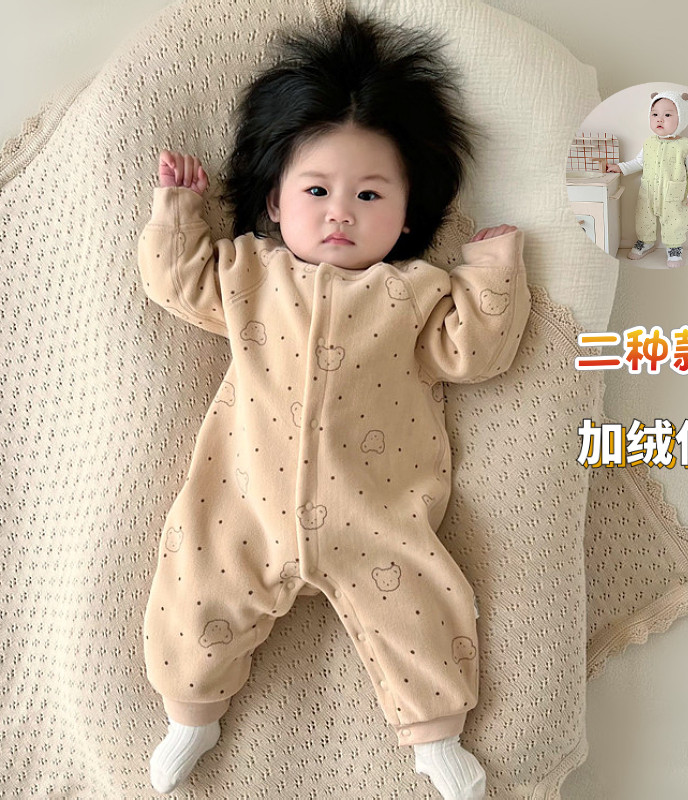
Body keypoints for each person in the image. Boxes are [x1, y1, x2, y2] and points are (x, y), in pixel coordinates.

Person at [138, 12, 530, 799]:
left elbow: (475, 353)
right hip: (243, 506)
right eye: (316, 190)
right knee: (195, 588)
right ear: (276, 203)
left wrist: (493, 271)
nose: (340, 211)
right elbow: (175, 282)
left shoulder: (415, 294)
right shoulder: (250, 275)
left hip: (377, 513)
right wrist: (177, 210)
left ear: (408, 215)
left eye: (369, 194)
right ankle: (191, 716)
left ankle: (435, 739)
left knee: (422, 610)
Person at [607, 90, 688, 268]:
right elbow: (639, 162)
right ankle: (646, 242)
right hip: (648, 193)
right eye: (655, 114)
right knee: (644, 218)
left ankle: (674, 247)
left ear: (681, 118)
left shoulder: (685, 146)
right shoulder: (649, 143)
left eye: (667, 115)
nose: (660, 119)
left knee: (675, 220)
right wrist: (620, 167)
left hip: (674, 195)